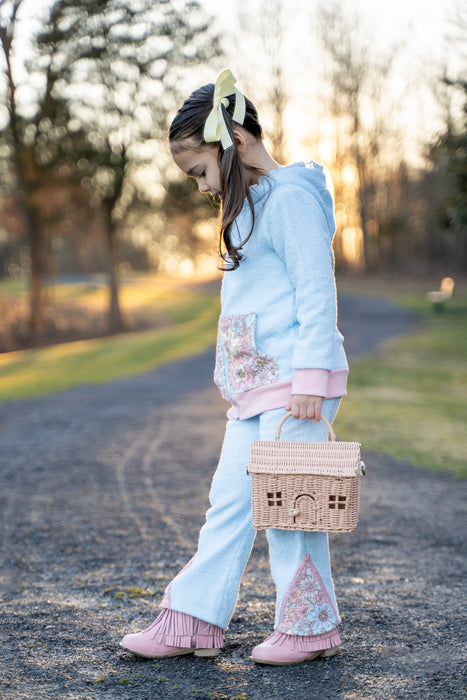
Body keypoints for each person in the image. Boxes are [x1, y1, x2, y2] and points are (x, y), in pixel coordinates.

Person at [120, 69, 349, 665]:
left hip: (297, 389)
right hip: (255, 393)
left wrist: (310, 382)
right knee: (228, 504)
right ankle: (193, 619)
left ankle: (308, 626)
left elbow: (315, 296)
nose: (200, 187)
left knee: (292, 510)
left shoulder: (293, 200)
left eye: (200, 171)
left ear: (236, 143)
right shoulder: (247, 208)